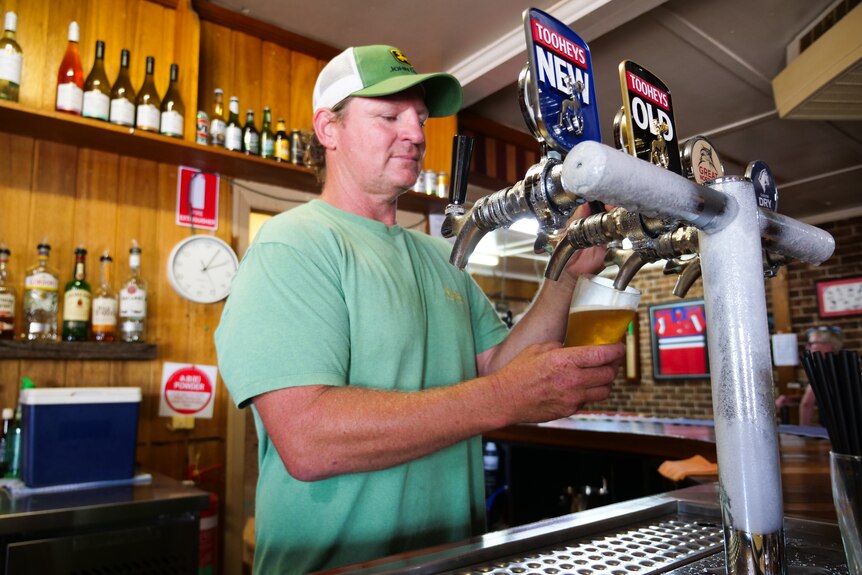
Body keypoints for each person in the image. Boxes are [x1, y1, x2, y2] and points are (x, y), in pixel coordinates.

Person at [215, 44, 625, 574]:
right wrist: (503, 397)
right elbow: (309, 439)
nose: (414, 134)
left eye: (420, 119)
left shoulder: (443, 256)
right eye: (388, 116)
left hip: (452, 560)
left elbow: (497, 367)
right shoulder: (293, 245)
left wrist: (564, 276)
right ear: (328, 129)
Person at [775, 326, 844, 426]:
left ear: (829, 345)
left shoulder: (823, 369)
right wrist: (791, 399)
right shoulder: (841, 364)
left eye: (812, 344)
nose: (808, 347)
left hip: (835, 431)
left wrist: (803, 434)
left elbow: (807, 404)